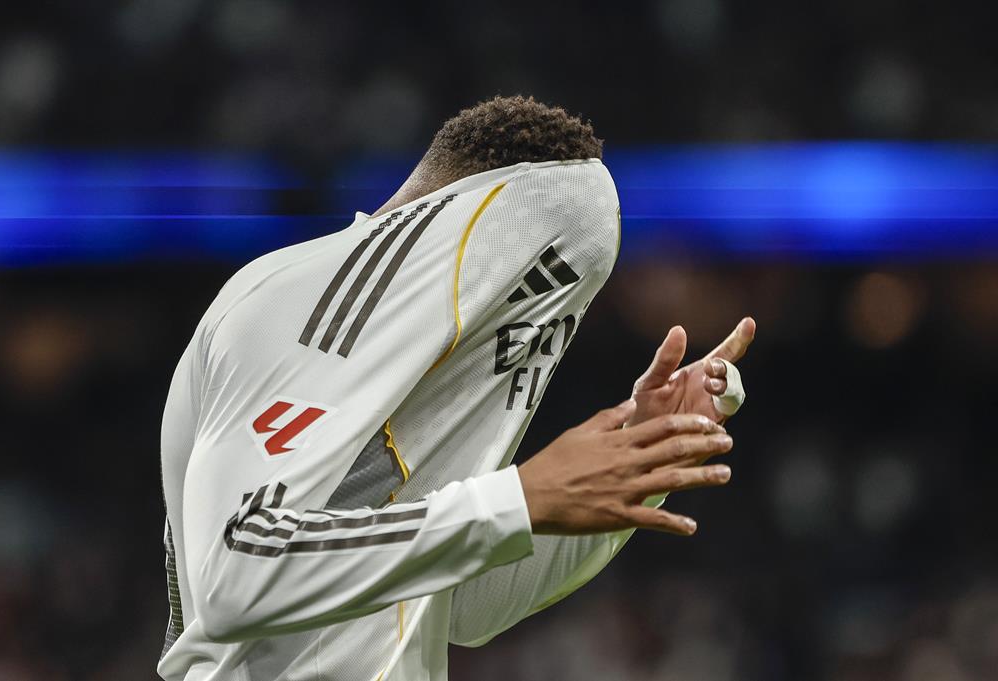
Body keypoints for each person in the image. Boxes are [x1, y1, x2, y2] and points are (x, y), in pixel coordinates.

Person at [157, 95, 755, 681]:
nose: (526, 336)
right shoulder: (298, 300)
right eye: (532, 283)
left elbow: (469, 608)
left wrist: (642, 458)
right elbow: (235, 576)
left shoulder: (413, 377)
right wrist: (516, 500)